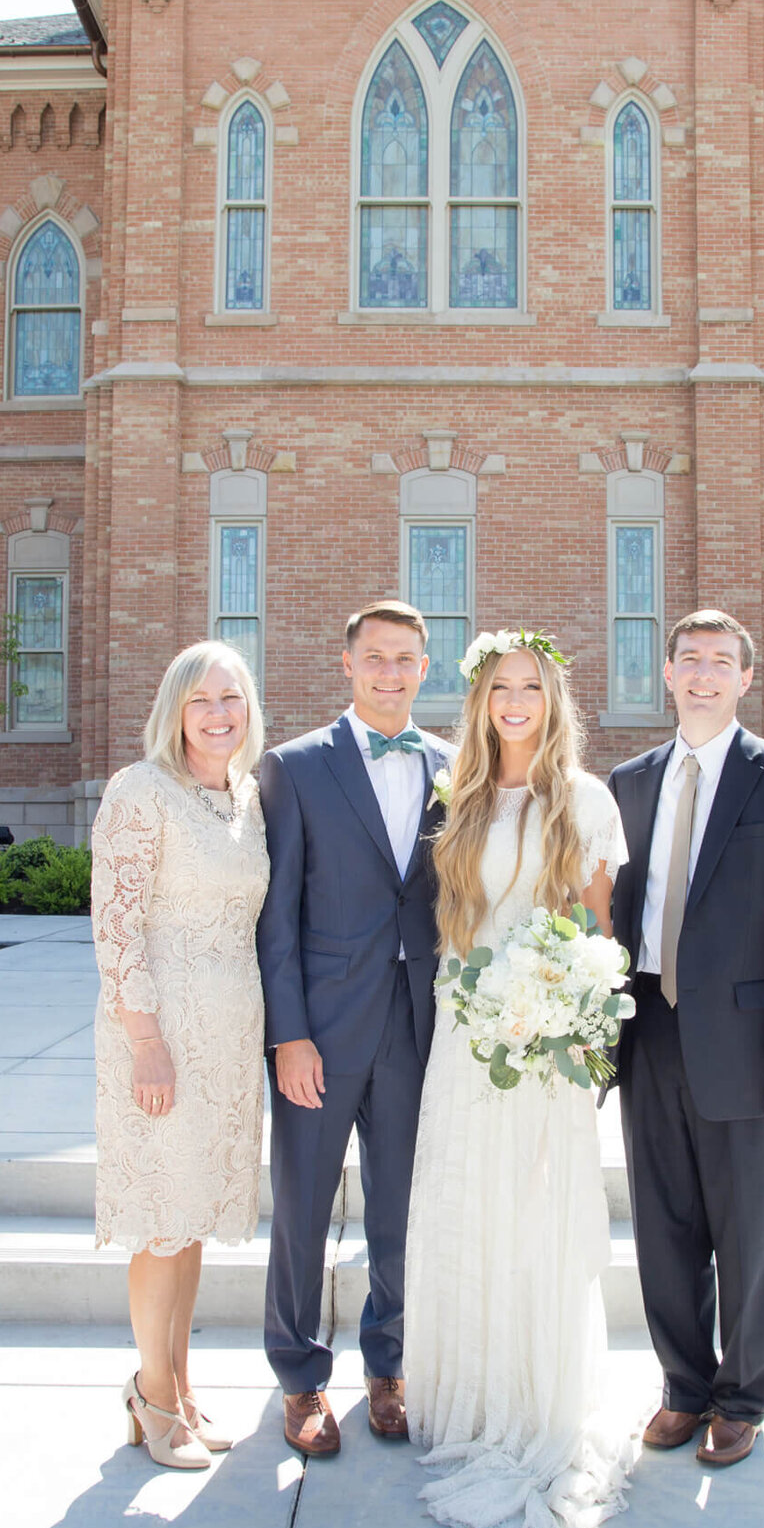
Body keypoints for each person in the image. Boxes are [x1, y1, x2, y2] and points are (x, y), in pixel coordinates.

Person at [404, 631, 632, 1528]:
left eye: (530, 686)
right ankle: (471, 1393)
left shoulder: (583, 800)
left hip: (541, 1046)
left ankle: (540, 1402)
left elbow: (598, 937)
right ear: (480, 699)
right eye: (501, 686)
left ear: (552, 698)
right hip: (466, 1042)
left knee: (535, 1216)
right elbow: (454, 929)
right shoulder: (459, 799)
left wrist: (560, 1017)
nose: (514, 701)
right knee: (468, 1209)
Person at [609, 609, 764, 1468]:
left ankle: (742, 1397)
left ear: (746, 679)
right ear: (665, 674)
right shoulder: (629, 783)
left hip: (748, 1047)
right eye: (689, 660)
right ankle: (682, 1386)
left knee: (745, 1229)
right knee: (663, 1225)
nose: (703, 675)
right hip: (649, 1034)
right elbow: (615, 912)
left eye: (721, 662)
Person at [256, 601, 455, 1458]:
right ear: (347, 664)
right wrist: (288, 1034)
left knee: (404, 1209)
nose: (389, 672)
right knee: (302, 1207)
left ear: (424, 666)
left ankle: (391, 1363)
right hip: (323, 1032)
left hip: (420, 1028)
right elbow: (276, 918)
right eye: (374, 657)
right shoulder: (294, 768)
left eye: (405, 658)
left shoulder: (456, 765)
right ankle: (300, 1379)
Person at [91, 639, 269, 1469]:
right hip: (159, 1033)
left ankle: (181, 1390)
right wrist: (145, 1040)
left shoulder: (244, 799)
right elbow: (116, 926)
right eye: (202, 701)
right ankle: (150, 1397)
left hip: (229, 1038)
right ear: (175, 711)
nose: (219, 714)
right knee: (161, 1220)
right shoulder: (140, 792)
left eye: (231, 699)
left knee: (192, 1219)